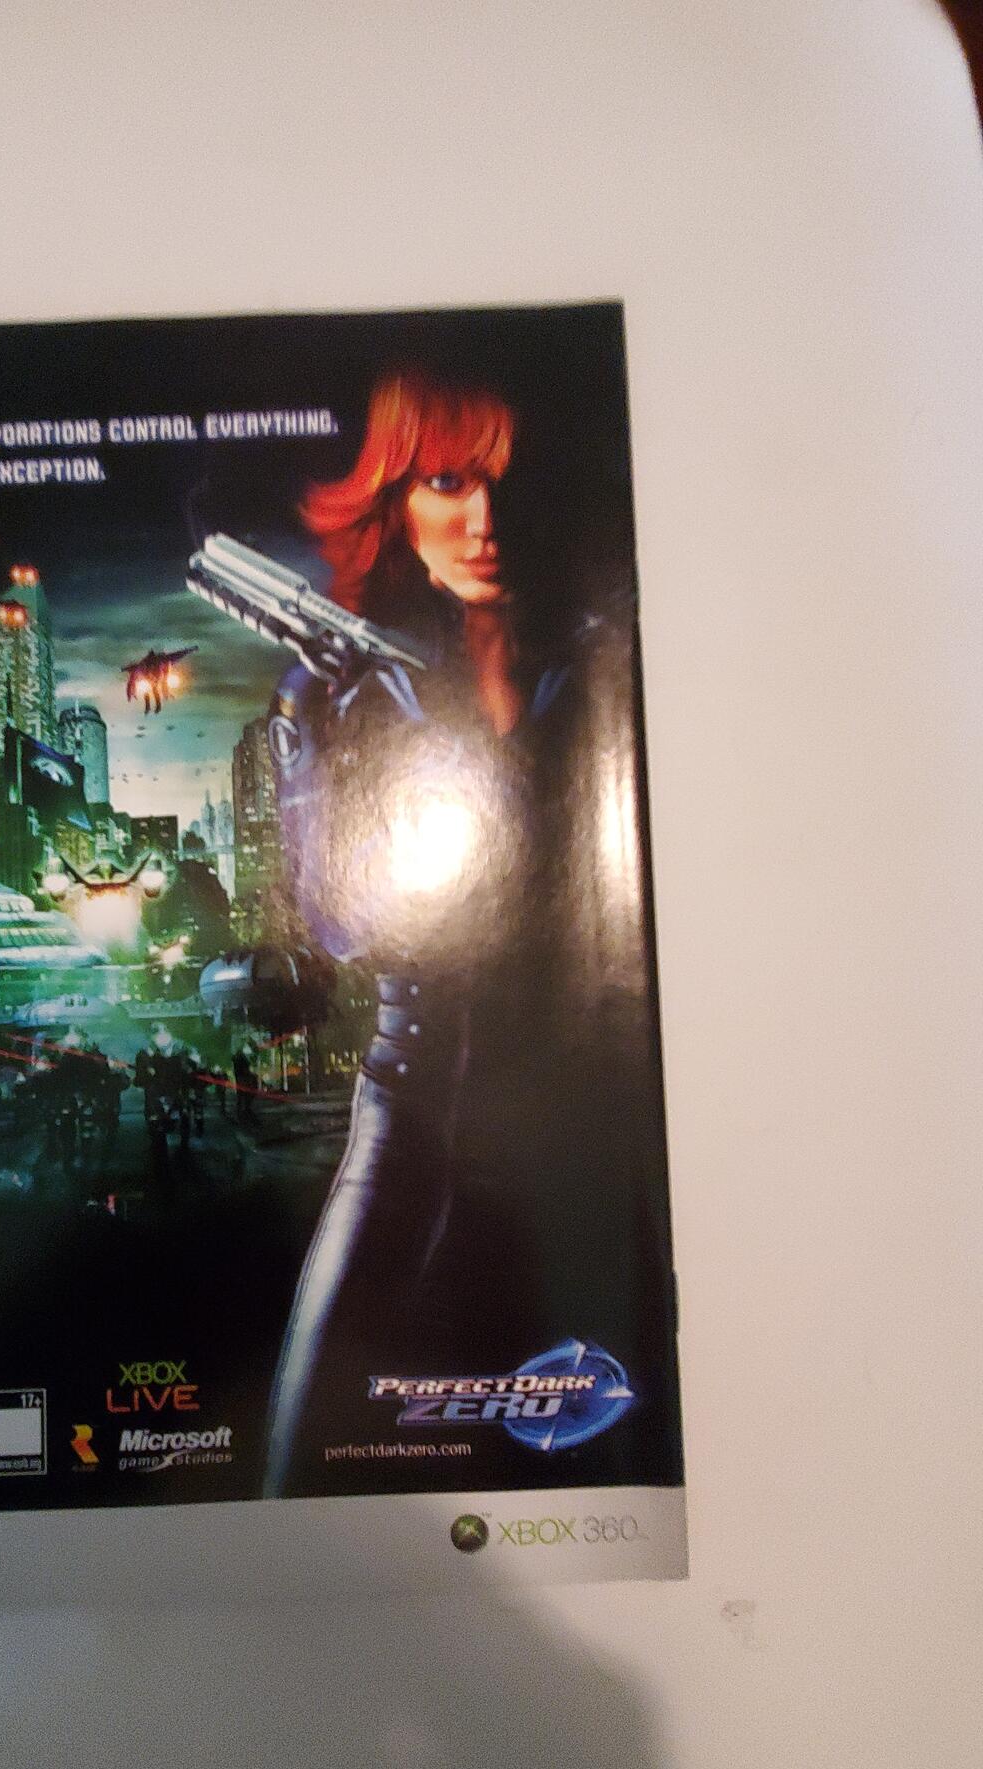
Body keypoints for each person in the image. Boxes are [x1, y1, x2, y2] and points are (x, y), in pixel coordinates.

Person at [262, 367, 657, 1496]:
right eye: (448, 482)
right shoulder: (338, 689)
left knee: (606, 1475)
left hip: (584, 1129)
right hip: (408, 1115)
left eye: (506, 483)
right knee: (298, 1467)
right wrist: (319, 750)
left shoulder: (604, 664)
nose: (485, 521)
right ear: (394, 499)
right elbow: (339, 924)